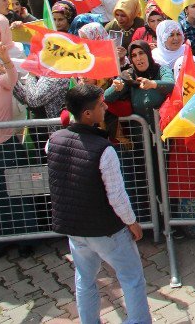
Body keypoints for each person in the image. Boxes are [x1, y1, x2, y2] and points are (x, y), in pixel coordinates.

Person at [46, 83, 151, 324]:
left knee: (84, 279)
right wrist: (132, 222)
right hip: (105, 230)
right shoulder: (104, 150)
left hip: (74, 229)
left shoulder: (53, 141)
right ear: (87, 114)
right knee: (132, 278)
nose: (105, 107)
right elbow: (116, 195)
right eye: (100, 105)